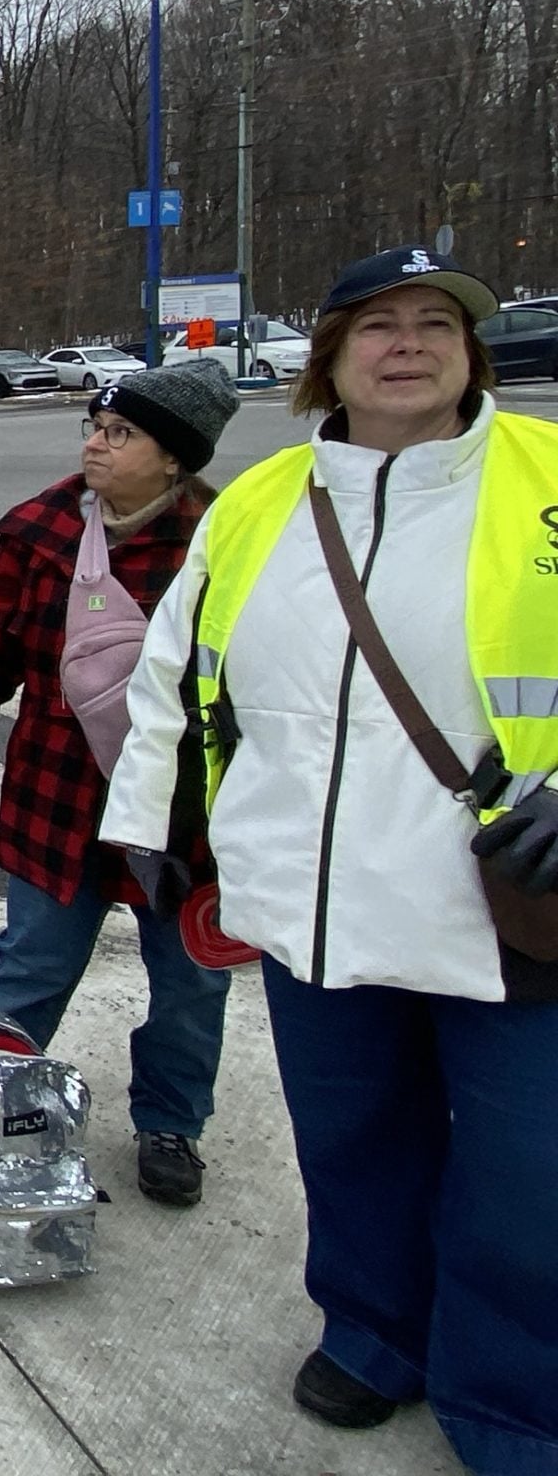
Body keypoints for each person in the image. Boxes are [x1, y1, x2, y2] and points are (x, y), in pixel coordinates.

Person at [99, 247, 558, 1470]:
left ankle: (511, 1401)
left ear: (471, 352)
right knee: (351, 1142)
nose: (406, 342)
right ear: (332, 357)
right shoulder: (258, 505)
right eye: (376, 324)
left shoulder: (547, 481)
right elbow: (171, 680)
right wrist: (147, 828)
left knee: (524, 1177)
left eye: (434, 322)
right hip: (311, 906)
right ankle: (371, 1333)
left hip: (507, 913)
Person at [0, 363, 239, 1208]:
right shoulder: (46, 531)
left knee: (190, 983)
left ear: (176, 459)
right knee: (30, 967)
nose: (95, 441)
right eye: (95, 426)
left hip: (185, 811)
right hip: (59, 795)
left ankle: (171, 1124)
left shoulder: (226, 540)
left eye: (121, 432)